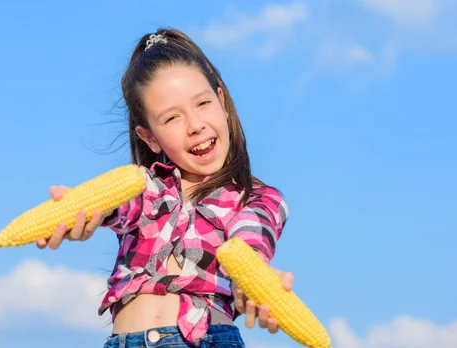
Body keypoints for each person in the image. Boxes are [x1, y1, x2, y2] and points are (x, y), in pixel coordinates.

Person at [37, 28, 294, 348]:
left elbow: (251, 238)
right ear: (150, 137)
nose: (195, 125)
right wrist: (78, 210)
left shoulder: (254, 198)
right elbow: (118, 207)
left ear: (222, 102)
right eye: (172, 118)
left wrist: (255, 280)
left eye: (202, 103)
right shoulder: (143, 188)